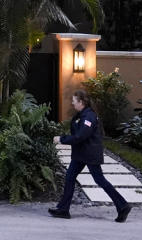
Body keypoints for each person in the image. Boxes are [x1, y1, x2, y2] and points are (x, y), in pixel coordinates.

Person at [50, 89, 131, 222]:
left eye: (74, 101)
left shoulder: (89, 117)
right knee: (70, 177)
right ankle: (63, 209)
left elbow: (81, 136)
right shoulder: (82, 114)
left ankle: (123, 206)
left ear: (81, 102)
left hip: (89, 154)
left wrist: (62, 139)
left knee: (99, 179)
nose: (72, 103)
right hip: (82, 154)